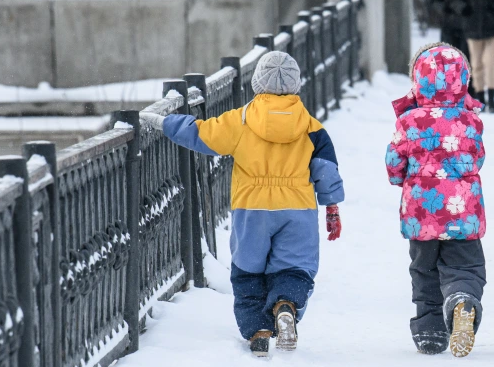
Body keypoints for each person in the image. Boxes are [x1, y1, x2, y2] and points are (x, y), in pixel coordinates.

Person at [140, 51, 344, 357]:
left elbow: (201, 134)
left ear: (257, 83)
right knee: (294, 268)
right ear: (296, 85)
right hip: (297, 208)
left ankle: (258, 332)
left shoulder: (242, 120)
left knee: (248, 272)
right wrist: (332, 206)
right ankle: (286, 304)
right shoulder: (312, 127)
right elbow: (326, 171)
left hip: (252, 209)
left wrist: (163, 122)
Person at [387, 43, 486, 358]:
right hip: (463, 212)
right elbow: (478, 158)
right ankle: (462, 301)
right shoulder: (470, 121)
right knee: (466, 265)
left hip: (421, 212)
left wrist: (400, 178)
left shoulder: (409, 121)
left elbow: (393, 162)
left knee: (424, 269)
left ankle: (430, 331)